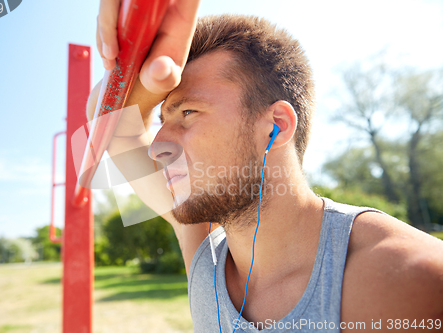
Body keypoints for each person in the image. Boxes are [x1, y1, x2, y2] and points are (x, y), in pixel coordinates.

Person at [90, 1, 443, 332]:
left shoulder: (406, 279)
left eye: (188, 113)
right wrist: (150, 69)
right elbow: (114, 125)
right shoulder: (205, 250)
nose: (157, 147)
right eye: (161, 121)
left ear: (275, 126)